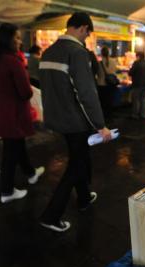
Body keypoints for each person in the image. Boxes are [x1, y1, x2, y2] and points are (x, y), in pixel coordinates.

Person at [39, 12, 112, 232]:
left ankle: (83, 198)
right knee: (76, 164)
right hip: (75, 121)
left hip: (57, 118)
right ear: (82, 28)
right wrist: (101, 125)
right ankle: (51, 215)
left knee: (79, 158)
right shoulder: (77, 53)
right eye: (86, 33)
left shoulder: (48, 51)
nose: (86, 38)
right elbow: (87, 94)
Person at [0, 23, 44, 204]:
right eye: (16, 37)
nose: (19, 41)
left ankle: (31, 173)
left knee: (17, 144)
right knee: (10, 153)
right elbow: (26, 92)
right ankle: (7, 191)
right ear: (7, 39)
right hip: (13, 115)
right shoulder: (12, 61)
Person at [129, 52, 145, 119]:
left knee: (136, 100)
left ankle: (135, 115)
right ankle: (143, 115)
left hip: (137, 84)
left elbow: (130, 73)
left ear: (138, 56)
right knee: (143, 100)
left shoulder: (136, 63)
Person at [97, 46, 118, 118]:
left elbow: (97, 73)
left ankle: (103, 116)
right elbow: (115, 71)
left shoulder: (99, 62)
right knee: (110, 101)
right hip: (111, 84)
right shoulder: (114, 61)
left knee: (103, 101)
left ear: (101, 53)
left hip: (101, 84)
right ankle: (110, 116)